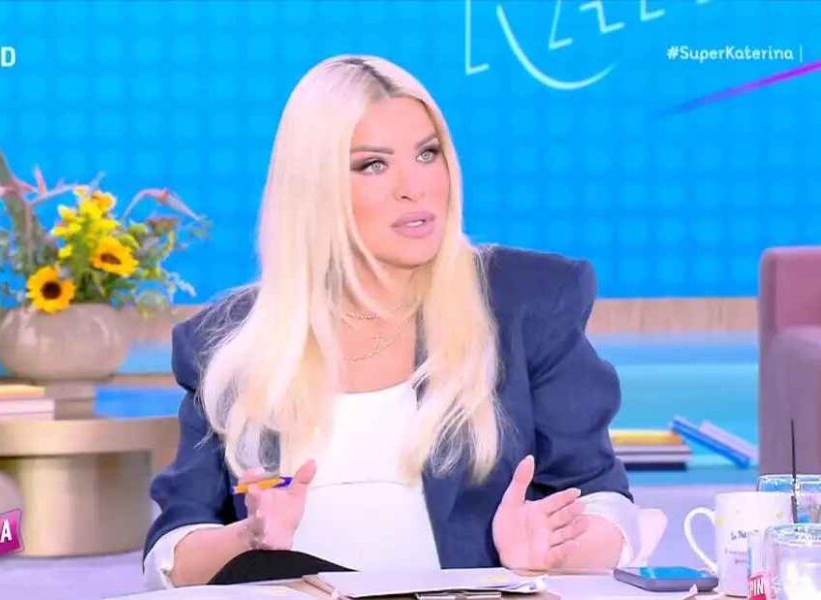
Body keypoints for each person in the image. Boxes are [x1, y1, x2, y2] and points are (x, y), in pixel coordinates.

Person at [143, 55, 640, 589]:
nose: (414, 187)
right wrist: (248, 538)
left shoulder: (525, 302)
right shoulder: (228, 343)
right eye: (373, 165)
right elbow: (169, 556)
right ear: (313, 186)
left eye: (428, 154)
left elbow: (605, 503)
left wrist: (554, 553)